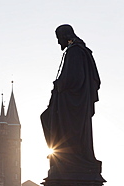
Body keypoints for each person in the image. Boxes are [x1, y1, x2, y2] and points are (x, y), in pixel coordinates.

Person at [41, 24, 101, 174]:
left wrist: (58, 84)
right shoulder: (78, 51)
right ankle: (59, 155)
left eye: (58, 39)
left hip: (72, 105)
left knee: (48, 118)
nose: (58, 43)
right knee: (46, 118)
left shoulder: (75, 52)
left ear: (65, 37)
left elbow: (75, 78)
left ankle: (63, 156)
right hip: (73, 102)